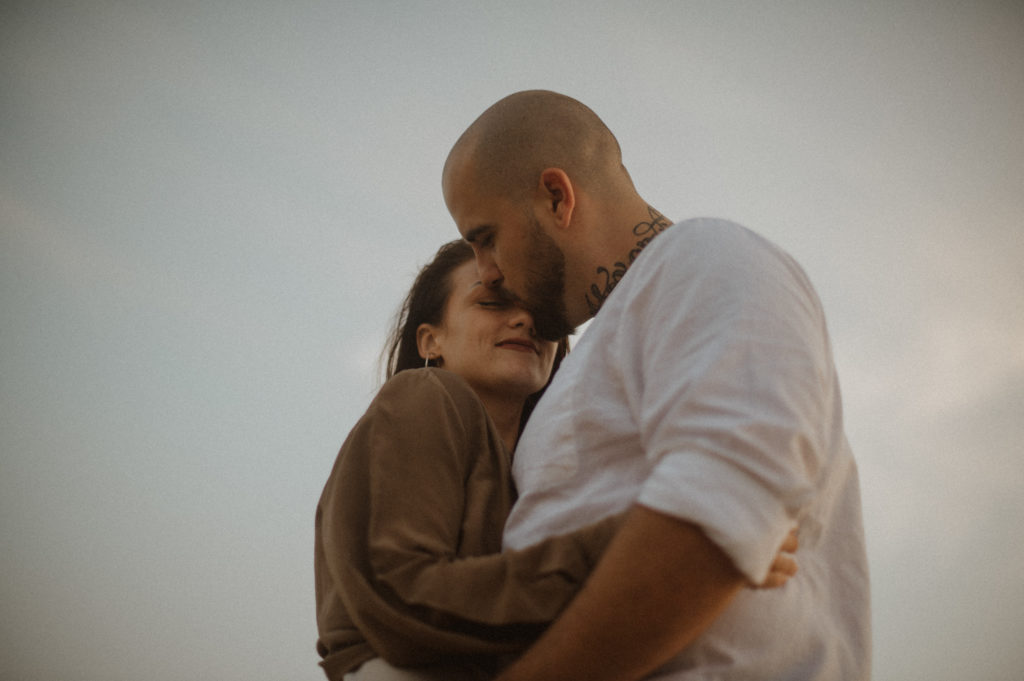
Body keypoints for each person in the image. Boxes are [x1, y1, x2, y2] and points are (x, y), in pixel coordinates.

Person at [442, 90, 871, 681]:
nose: (486, 271)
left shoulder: (706, 257)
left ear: (556, 196)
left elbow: (721, 510)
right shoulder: (604, 346)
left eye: (485, 237)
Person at [313, 240, 798, 681]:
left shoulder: (532, 477)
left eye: (541, 314)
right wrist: (654, 543)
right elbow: (401, 592)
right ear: (429, 341)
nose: (525, 320)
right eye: (492, 303)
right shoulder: (424, 394)